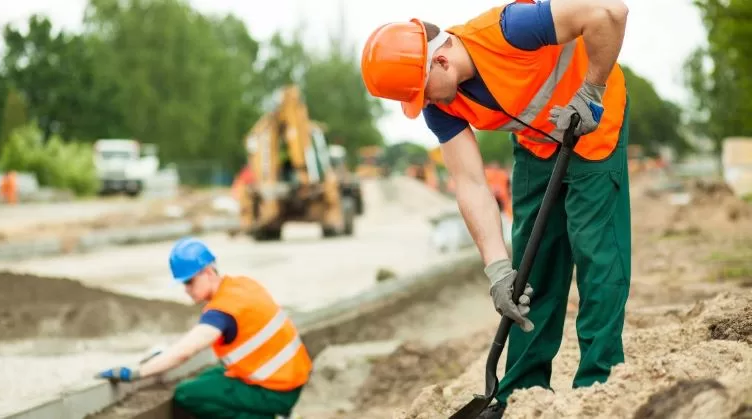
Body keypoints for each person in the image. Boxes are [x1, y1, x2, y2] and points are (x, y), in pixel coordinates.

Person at [359, 0, 630, 417]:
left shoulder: (511, 29)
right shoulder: (440, 104)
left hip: (595, 130)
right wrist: (497, 272)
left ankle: (600, 384)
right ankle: (522, 392)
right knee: (529, 273)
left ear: (442, 61)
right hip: (538, 146)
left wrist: (590, 93)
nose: (422, 104)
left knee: (598, 261)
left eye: (419, 92)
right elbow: (470, 184)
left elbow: (610, 12)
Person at [96, 237, 313, 419]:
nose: (186, 290)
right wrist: (159, 357)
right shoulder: (241, 285)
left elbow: (186, 351)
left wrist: (137, 372)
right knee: (207, 378)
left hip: (275, 392)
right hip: (287, 379)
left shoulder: (222, 311)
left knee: (186, 395)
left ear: (208, 272)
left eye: (190, 282)